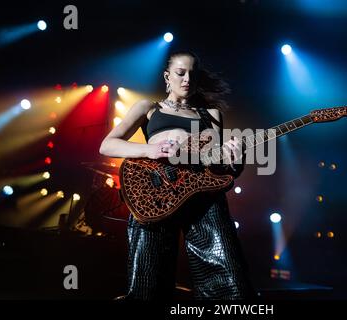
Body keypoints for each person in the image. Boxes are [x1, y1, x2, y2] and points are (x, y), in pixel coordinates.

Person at [99, 50, 254, 300]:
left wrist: (237, 159)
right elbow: (108, 145)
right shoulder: (149, 108)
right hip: (155, 194)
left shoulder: (211, 115)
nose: (187, 79)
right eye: (180, 73)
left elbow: (221, 168)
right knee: (147, 289)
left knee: (232, 287)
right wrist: (151, 149)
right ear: (167, 76)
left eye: (192, 74)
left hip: (203, 198)